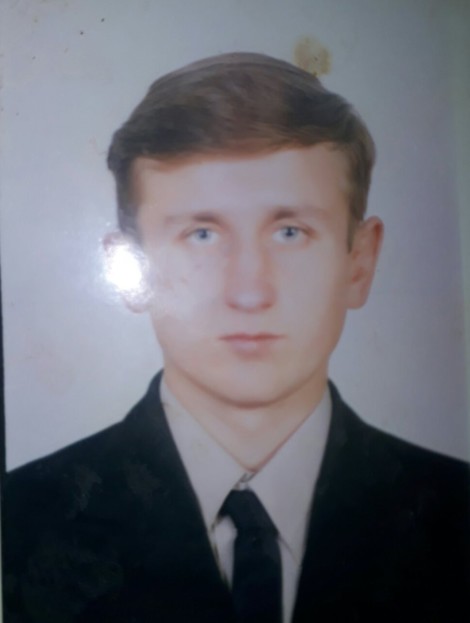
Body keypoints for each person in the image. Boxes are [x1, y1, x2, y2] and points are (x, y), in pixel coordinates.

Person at [2, 52, 469, 623]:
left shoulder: (456, 514)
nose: (249, 292)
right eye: (201, 234)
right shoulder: (18, 521)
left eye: (290, 232)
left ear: (359, 262)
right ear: (130, 269)